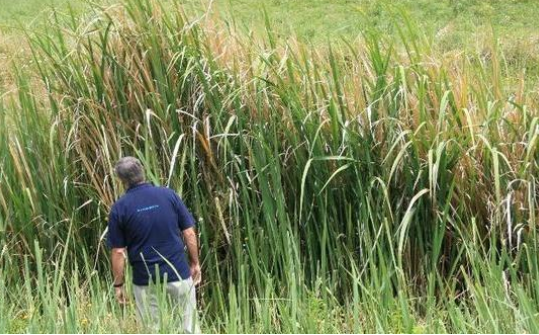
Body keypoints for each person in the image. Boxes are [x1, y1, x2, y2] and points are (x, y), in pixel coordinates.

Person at [107, 156, 201, 333]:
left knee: (152, 330)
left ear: (121, 181)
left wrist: (118, 285)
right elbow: (188, 232)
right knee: (190, 328)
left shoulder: (119, 208)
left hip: (145, 280)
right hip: (178, 273)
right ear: (142, 172)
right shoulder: (168, 195)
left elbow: (119, 251)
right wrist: (195, 263)